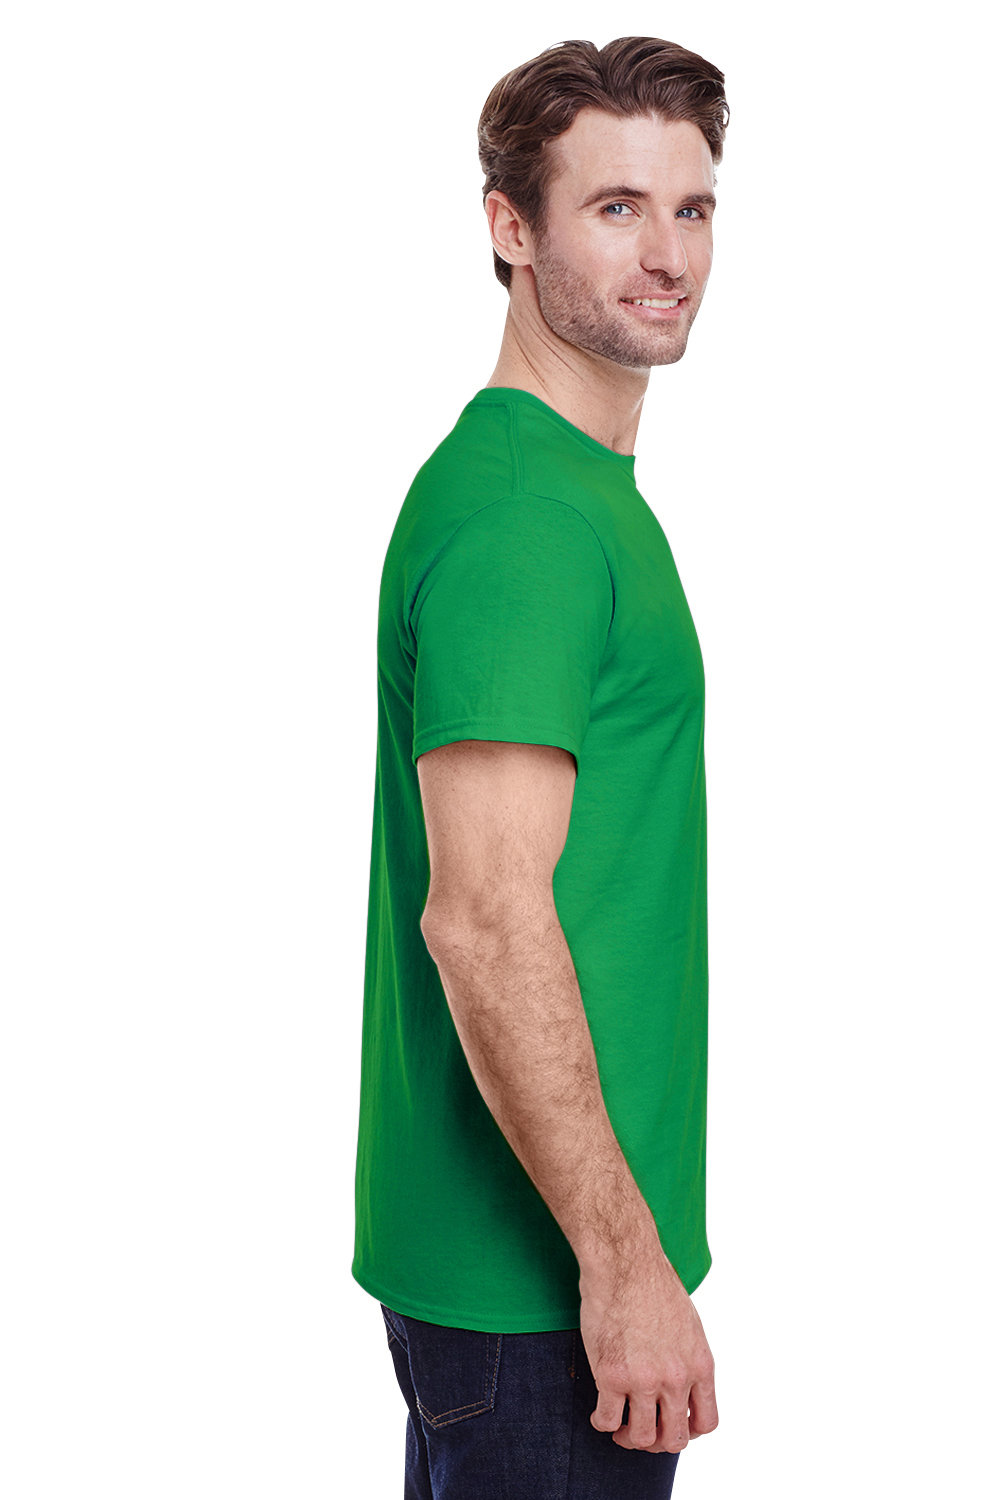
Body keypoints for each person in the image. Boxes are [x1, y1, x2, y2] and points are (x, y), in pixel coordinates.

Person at [352, 35, 730, 1499]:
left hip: (529, 1275)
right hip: (545, 1291)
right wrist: (625, 1266)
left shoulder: (568, 486)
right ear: (510, 228)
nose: (668, 255)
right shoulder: (528, 523)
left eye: (691, 208)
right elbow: (486, 919)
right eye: (616, 207)